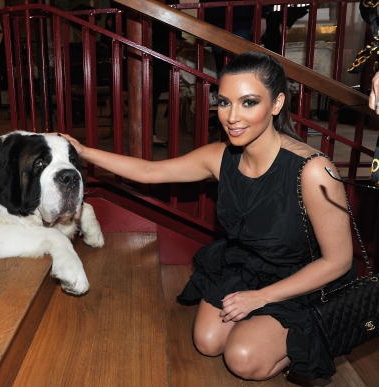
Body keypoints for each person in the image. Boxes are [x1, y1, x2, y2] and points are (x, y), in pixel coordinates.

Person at [61, 51, 354, 381]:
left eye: (248, 102)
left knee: (243, 360)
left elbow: (338, 261)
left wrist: (260, 298)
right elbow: (148, 171)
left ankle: (310, 338)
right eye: (225, 102)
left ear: (276, 104)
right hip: (251, 268)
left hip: (303, 280)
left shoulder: (314, 171)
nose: (231, 116)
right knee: (207, 342)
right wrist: (82, 151)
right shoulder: (220, 157)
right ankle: (261, 327)